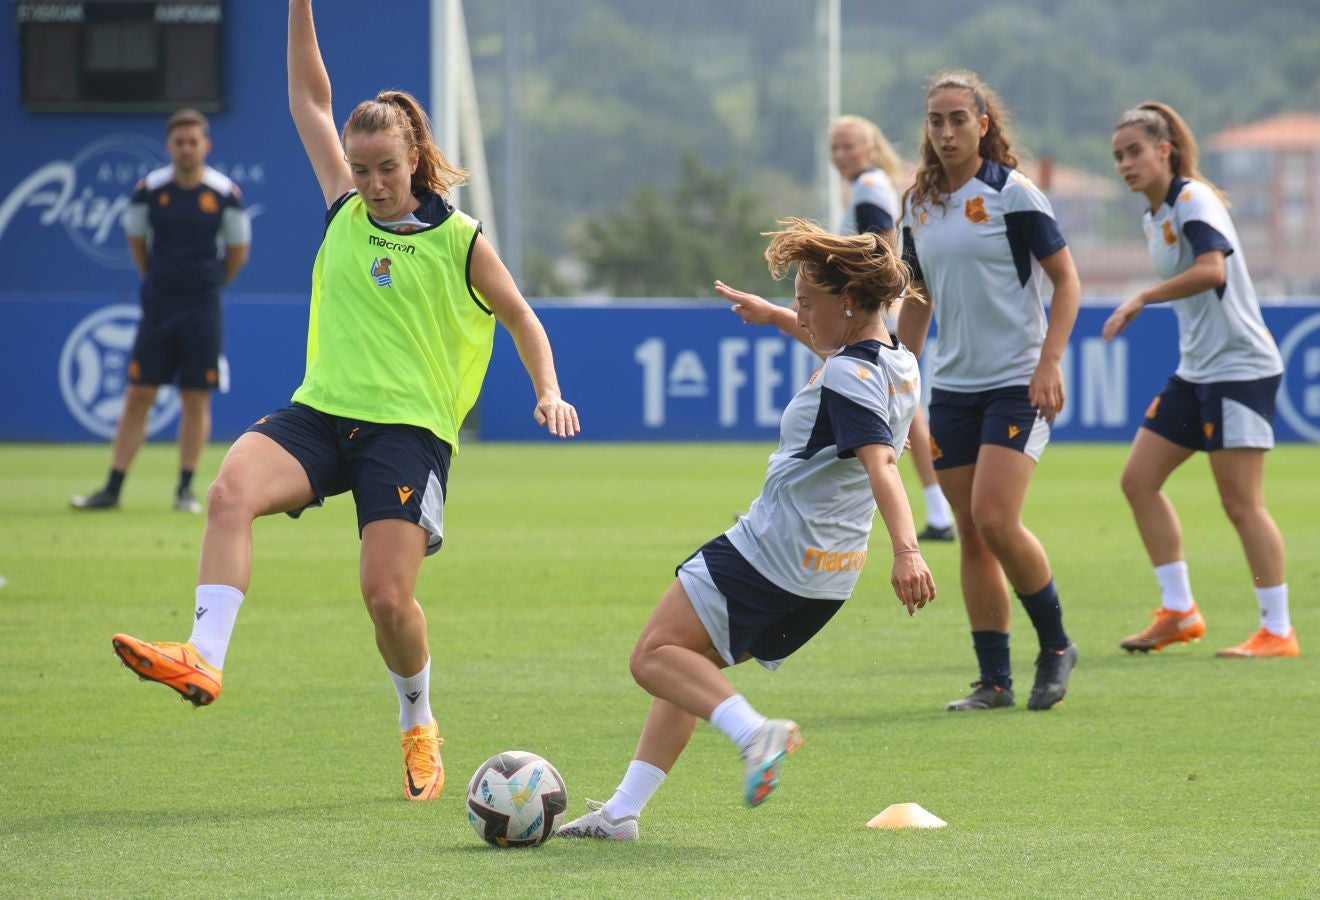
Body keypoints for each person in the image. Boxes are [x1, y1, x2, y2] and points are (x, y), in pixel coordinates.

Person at [110, 0, 580, 803]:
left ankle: (418, 721)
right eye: (359, 170)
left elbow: (520, 316)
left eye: (384, 169)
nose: (369, 183)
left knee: (387, 599)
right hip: (321, 414)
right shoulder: (344, 207)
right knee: (228, 492)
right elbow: (310, 99)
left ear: (414, 157)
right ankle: (204, 656)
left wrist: (548, 388)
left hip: (409, 435)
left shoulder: (460, 239)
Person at [557, 219, 936, 841]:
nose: (800, 312)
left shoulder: (846, 375)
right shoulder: (898, 363)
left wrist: (910, 550)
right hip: (827, 580)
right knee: (689, 669)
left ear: (847, 301)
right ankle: (622, 813)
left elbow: (882, 463)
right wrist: (778, 318)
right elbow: (843, 356)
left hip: (771, 553)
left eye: (806, 303)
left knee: (652, 656)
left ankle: (756, 734)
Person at [894, 70, 1082, 712]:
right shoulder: (917, 205)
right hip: (954, 390)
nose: (946, 132)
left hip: (1017, 382)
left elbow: (1067, 282)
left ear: (983, 124)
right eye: (935, 121)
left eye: (957, 119)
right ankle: (994, 681)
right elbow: (916, 301)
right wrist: (898, 373)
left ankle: (1056, 645)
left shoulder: (1014, 194)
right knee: (972, 532)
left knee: (998, 520)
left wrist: (1049, 363)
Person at [1105, 102, 1296, 658]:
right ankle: (1180, 611)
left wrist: (1142, 295)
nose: (1126, 164)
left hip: (1241, 369)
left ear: (1164, 150)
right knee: (1138, 481)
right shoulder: (1152, 215)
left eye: (1135, 151)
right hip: (1197, 371)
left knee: (1241, 504)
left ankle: (1278, 630)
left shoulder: (1193, 197)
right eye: (1118, 156)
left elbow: (1213, 269)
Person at [71, 108, 251, 513]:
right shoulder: (149, 191)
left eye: (193, 141)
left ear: (206, 145)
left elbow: (237, 251)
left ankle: (184, 490)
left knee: (195, 397)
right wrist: (160, 279)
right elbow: (137, 241)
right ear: (169, 146)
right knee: (139, 394)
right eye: (179, 142)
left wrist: (211, 283)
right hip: (159, 305)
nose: (186, 148)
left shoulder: (224, 194)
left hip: (202, 306)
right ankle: (112, 489)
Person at [830, 114, 955, 542]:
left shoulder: (868, 187)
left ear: (870, 148)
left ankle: (937, 510)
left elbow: (880, 246)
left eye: (849, 146)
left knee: (902, 409)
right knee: (904, 408)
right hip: (883, 305)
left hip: (876, 310)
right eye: (836, 148)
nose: (841, 155)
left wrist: (852, 291)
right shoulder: (873, 185)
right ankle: (937, 510)